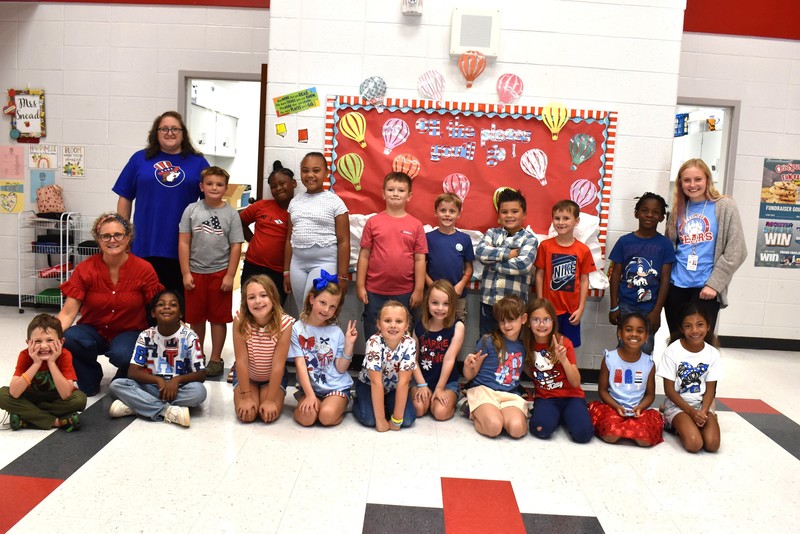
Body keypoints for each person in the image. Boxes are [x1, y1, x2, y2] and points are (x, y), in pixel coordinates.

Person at [58, 213, 164, 396]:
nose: (112, 240)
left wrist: (176, 331)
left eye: (118, 235)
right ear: (98, 240)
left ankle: (124, 375)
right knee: (71, 338)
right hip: (93, 329)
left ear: (128, 237)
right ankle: (89, 376)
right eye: (106, 236)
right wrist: (46, 336)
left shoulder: (144, 269)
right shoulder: (85, 269)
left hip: (129, 331)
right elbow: (68, 313)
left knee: (124, 353)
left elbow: (160, 309)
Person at [114, 111, 210, 296]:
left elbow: (210, 201)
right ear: (156, 133)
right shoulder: (139, 159)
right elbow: (125, 196)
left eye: (175, 128)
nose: (170, 132)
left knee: (177, 305)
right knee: (145, 302)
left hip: (182, 245)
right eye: (164, 128)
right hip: (144, 243)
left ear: (183, 133)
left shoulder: (198, 163)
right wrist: (122, 233)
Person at [665, 158, 746, 336]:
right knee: (676, 339)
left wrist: (714, 284)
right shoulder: (677, 209)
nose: (692, 185)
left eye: (698, 179)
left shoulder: (724, 205)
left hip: (706, 289)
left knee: (699, 341)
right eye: (687, 180)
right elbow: (670, 248)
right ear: (680, 183)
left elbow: (737, 251)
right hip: (676, 286)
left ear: (707, 180)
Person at [178, 166, 244, 377]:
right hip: (195, 273)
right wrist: (186, 272)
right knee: (195, 319)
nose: (214, 188)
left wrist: (230, 275)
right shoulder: (191, 210)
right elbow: (184, 242)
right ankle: (198, 355)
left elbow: (236, 246)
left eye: (219, 184)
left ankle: (215, 358)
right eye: (209, 184)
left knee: (218, 319)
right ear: (201, 186)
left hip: (220, 273)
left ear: (226, 188)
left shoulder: (231, 214)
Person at [108, 290, 206, 427]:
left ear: (181, 313)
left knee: (199, 392)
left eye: (173, 305)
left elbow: (201, 374)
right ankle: (167, 411)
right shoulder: (146, 335)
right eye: (161, 304)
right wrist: (157, 380)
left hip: (179, 388)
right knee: (116, 385)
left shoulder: (190, 336)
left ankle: (137, 406)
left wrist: (177, 380)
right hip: (151, 386)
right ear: (153, 313)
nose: (166, 307)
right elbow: (133, 372)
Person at [357, 172, 427, 340]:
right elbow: (364, 255)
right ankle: (373, 366)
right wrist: (360, 285)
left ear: (409, 196)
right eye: (391, 189)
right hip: (374, 290)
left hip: (405, 292)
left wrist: (418, 289)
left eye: (401, 190)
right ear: (383, 193)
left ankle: (400, 366)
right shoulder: (373, 222)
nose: (395, 193)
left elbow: (420, 259)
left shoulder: (416, 225)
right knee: (373, 333)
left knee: (401, 335)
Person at [608, 193, 676, 355]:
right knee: (625, 345)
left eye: (655, 212)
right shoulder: (624, 241)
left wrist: (657, 311)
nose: (649, 215)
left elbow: (666, 279)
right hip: (625, 305)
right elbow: (615, 275)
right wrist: (613, 306)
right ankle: (620, 379)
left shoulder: (665, 244)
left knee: (645, 348)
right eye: (645, 210)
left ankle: (642, 380)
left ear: (661, 217)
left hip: (650, 308)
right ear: (636, 213)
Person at [284, 152, 350, 312]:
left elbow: (344, 241)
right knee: (303, 311)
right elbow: (288, 239)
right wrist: (286, 271)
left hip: (324, 262)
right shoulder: (294, 202)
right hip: (297, 264)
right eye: (305, 170)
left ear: (326, 173)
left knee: (315, 309)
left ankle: (321, 338)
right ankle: (306, 338)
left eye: (316, 170)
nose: (310, 175)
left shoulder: (335, 202)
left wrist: (343, 275)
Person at [291, 273, 357, 427]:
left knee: (326, 417)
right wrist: (309, 395)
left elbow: (340, 369)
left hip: (335, 386)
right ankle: (311, 400)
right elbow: (300, 364)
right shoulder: (298, 328)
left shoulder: (337, 332)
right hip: (311, 387)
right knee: (306, 419)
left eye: (332, 306)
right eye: (322, 302)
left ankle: (344, 403)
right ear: (312, 299)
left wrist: (349, 345)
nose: (326, 310)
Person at [0, 314, 86, 432]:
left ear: (61, 342)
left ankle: (28, 416)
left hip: (56, 397)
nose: (44, 346)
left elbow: (66, 394)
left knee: (80, 399)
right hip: (31, 396)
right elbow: (14, 392)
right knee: (2, 395)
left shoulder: (65, 355)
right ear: (28, 343)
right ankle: (56, 421)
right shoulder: (25, 355)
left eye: (50, 340)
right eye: (38, 341)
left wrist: (52, 363)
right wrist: (36, 364)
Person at [587, 312, 663, 447]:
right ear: (620, 334)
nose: (634, 334)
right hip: (612, 407)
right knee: (610, 436)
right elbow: (603, 391)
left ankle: (631, 426)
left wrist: (640, 407)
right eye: (629, 330)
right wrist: (616, 406)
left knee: (645, 440)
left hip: (638, 410)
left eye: (640, 331)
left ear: (646, 337)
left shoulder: (649, 363)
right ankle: (626, 427)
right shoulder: (610, 358)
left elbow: (650, 395)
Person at [525, 298, 593, 443]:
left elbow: (575, 382)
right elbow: (529, 370)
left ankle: (567, 415)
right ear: (528, 323)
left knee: (583, 435)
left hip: (571, 397)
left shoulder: (564, 343)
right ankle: (555, 415)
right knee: (541, 430)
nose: (541, 324)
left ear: (553, 322)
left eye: (546, 319)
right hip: (546, 398)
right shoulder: (526, 344)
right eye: (536, 320)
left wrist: (563, 359)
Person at [657, 303, 722, 453]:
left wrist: (704, 412)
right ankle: (669, 421)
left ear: (708, 327)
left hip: (701, 406)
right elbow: (669, 390)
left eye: (700, 325)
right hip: (678, 405)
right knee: (694, 444)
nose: (694, 330)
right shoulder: (672, 351)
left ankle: (693, 423)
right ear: (681, 328)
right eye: (688, 326)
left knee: (712, 445)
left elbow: (710, 390)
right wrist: (691, 412)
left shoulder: (713, 354)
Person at [463, 295, 529, 439]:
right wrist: (468, 366)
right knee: (493, 427)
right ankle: (472, 410)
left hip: (510, 395)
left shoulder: (525, 345)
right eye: (502, 321)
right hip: (485, 391)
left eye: (511, 319)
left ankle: (497, 415)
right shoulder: (488, 341)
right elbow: (470, 375)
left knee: (517, 429)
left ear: (523, 319)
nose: (506, 325)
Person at [475, 188, 538, 337]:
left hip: (515, 306)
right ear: (499, 215)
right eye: (504, 212)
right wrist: (508, 254)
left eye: (515, 211)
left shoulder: (529, 239)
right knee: (486, 342)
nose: (509, 215)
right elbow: (480, 253)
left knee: (512, 345)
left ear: (524, 214)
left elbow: (523, 265)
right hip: (489, 302)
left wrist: (493, 263)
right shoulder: (491, 233)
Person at [534, 200, 596, 348]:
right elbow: (539, 275)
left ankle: (565, 372)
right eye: (557, 218)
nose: (561, 222)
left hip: (571, 311)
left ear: (577, 221)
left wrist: (581, 309)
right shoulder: (545, 246)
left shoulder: (583, 250)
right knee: (545, 346)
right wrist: (540, 304)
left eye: (566, 218)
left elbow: (584, 280)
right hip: (549, 310)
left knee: (567, 348)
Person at [232, 275, 294, 424]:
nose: (258, 301)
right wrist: (246, 396)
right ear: (245, 302)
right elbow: (241, 361)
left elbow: (278, 365)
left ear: (273, 297)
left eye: (264, 295)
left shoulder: (285, 323)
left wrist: (271, 400)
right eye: (251, 297)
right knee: (247, 415)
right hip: (248, 378)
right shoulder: (240, 321)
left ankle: (267, 395)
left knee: (267, 414)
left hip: (271, 379)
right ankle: (250, 394)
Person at [353, 300, 417, 431]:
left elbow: (404, 383)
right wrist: (381, 420)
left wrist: (397, 420)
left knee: (408, 419)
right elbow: (376, 383)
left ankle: (385, 405)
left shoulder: (410, 343)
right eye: (387, 321)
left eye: (399, 321)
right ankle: (358, 401)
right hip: (369, 385)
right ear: (378, 324)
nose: (393, 325)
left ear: (406, 325)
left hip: (393, 387)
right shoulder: (373, 343)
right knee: (369, 419)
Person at [239, 160, 297, 305]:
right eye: (273, 186)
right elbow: (239, 222)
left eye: (282, 183)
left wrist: (287, 273)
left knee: (274, 313)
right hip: (253, 266)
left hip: (279, 272)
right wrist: (253, 241)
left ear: (294, 183)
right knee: (249, 309)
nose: (278, 188)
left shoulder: (299, 211)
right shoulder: (262, 206)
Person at [411, 280, 465, 421]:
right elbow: (412, 359)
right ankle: (428, 397)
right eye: (435, 303)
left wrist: (440, 388)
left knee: (440, 413)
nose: (440, 308)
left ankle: (453, 399)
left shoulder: (457, 327)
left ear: (452, 305)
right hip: (422, 379)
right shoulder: (419, 326)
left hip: (447, 382)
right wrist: (422, 385)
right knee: (418, 409)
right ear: (427, 303)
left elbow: (449, 359)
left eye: (446, 304)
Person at [425, 193, 474, 321]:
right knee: (430, 328)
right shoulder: (427, 238)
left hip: (457, 296)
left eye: (452, 211)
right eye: (443, 210)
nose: (447, 214)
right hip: (432, 296)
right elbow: (421, 267)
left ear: (458, 214)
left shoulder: (464, 239)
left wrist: (461, 285)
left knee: (457, 327)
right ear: (436, 212)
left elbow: (469, 268)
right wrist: (433, 286)